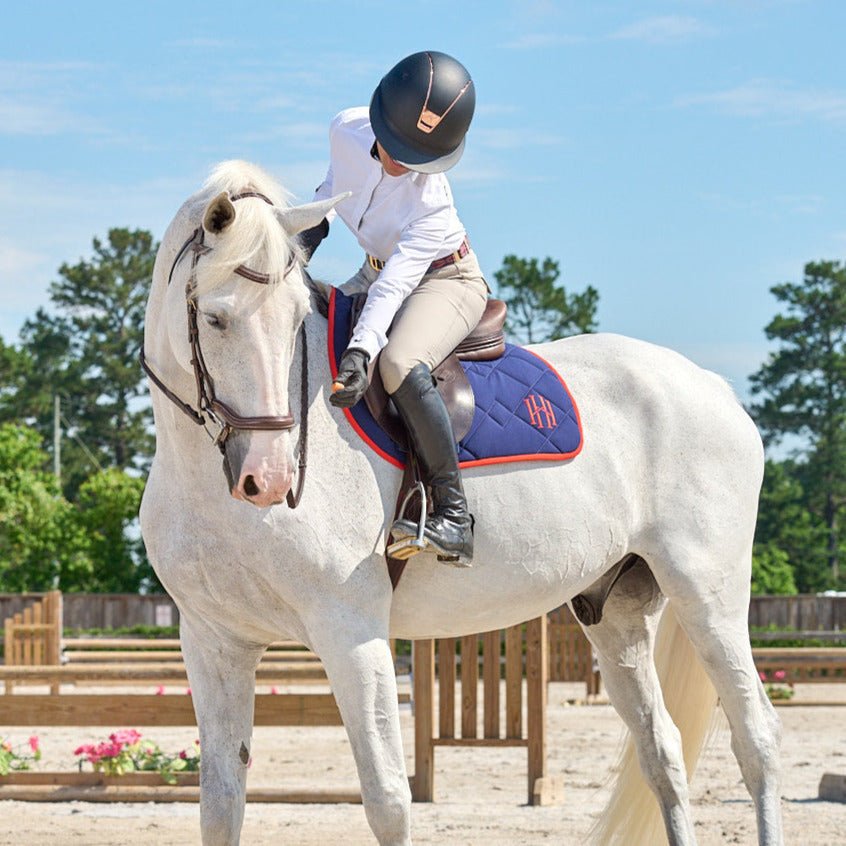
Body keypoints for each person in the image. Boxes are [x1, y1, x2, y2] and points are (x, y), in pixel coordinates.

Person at [302, 50, 487, 566]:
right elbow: (330, 193)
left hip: (445, 278)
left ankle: (454, 516)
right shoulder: (345, 129)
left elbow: (394, 288)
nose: (404, 163)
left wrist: (363, 350)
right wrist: (300, 245)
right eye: (401, 146)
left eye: (419, 156)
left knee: (397, 363)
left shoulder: (433, 200)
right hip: (376, 267)